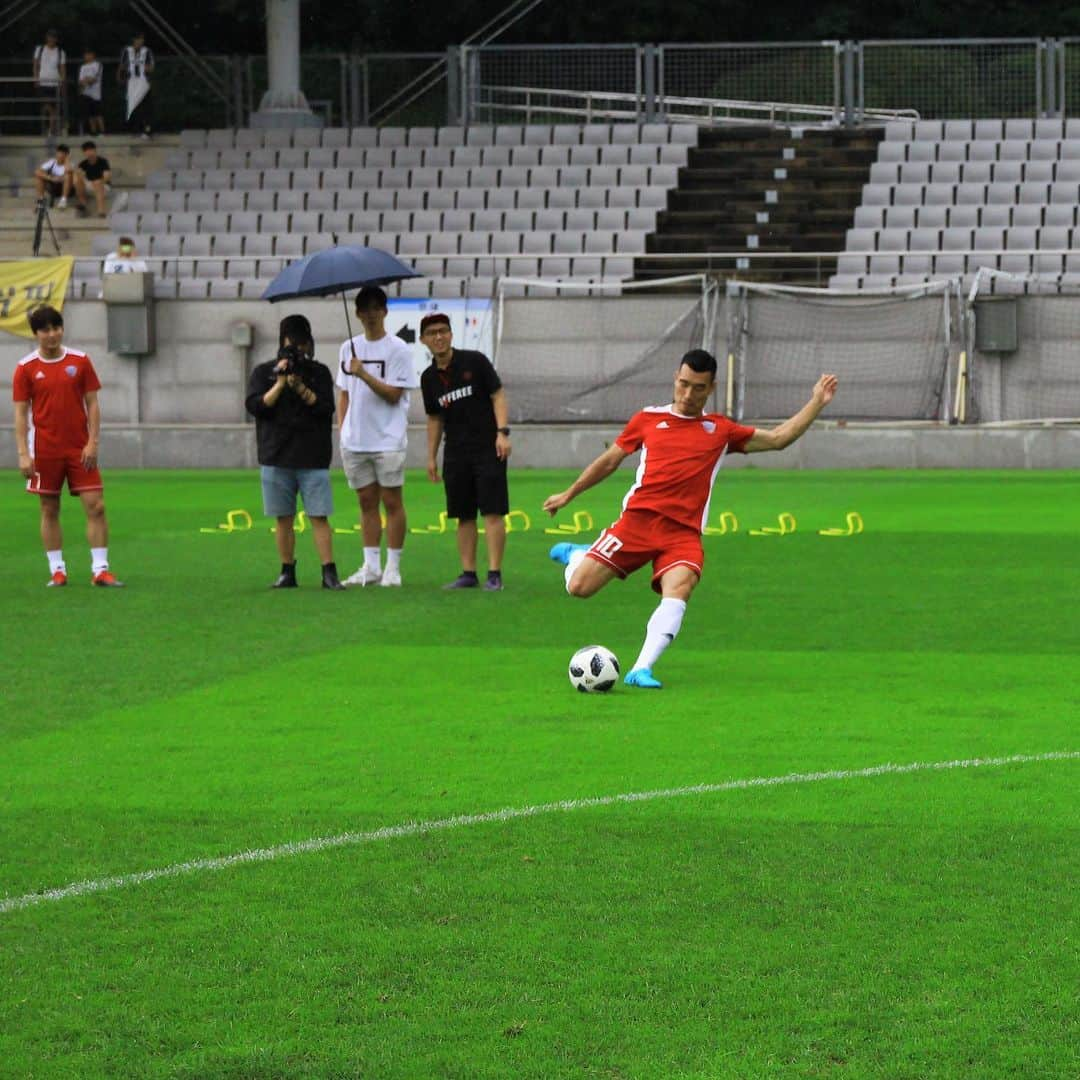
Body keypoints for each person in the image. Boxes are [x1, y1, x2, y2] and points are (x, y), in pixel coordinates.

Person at [543, 351, 838, 688]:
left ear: (710, 388)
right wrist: (570, 493)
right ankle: (578, 555)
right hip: (637, 524)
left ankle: (641, 669)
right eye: (683, 384)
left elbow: (779, 439)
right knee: (579, 588)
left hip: (682, 534)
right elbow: (610, 461)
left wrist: (817, 401)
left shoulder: (720, 430)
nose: (687, 394)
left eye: (697, 388)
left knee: (679, 588)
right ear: (675, 379)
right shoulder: (647, 419)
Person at [12, 305, 124, 587]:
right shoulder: (26, 368)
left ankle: (100, 570)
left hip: (79, 448)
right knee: (49, 509)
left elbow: (93, 403)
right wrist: (24, 454)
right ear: (36, 334)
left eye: (56, 328)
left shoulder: (81, 361)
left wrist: (92, 442)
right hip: (44, 450)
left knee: (96, 505)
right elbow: (20, 413)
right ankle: (57, 570)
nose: (52, 334)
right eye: (46, 330)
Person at [245, 314, 344, 590]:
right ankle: (287, 571)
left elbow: (326, 408)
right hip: (276, 454)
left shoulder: (319, 373)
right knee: (283, 517)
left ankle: (328, 571)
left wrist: (300, 386)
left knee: (319, 515)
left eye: (301, 346)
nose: (297, 353)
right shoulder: (264, 372)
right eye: (291, 346)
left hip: (312, 456)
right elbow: (255, 406)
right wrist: (279, 383)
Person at [420, 313, 512, 591]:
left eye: (443, 331)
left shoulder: (475, 362)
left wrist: (502, 433)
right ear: (424, 340)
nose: (438, 337)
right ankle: (468, 572)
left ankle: (494, 573)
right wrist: (431, 456)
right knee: (463, 514)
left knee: (493, 512)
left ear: (451, 334)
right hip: (455, 452)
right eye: (432, 333)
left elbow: (497, 395)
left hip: (487, 448)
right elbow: (435, 418)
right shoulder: (428, 378)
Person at [335, 286, 418, 588]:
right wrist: (343, 428)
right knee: (366, 502)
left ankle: (393, 567)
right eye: (364, 309)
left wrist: (364, 374)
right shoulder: (348, 348)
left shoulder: (398, 349)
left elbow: (394, 395)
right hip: (355, 440)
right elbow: (343, 393)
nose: (370, 315)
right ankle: (371, 566)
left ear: (385, 311)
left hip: (387, 439)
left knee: (392, 501)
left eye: (375, 308)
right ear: (357, 313)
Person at [118, 31, 154, 138]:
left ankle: (147, 129)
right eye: (138, 39)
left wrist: (148, 69)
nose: (140, 41)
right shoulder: (127, 51)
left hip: (143, 81)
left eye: (142, 39)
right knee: (133, 105)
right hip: (132, 81)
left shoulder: (147, 51)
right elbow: (122, 65)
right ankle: (135, 129)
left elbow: (151, 67)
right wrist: (121, 74)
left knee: (145, 106)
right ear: (134, 40)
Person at [32, 29, 66, 137]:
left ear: (56, 39)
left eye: (54, 37)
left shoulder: (60, 52)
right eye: (50, 37)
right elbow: (35, 65)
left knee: (54, 109)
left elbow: (62, 69)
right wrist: (35, 78)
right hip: (42, 82)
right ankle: (47, 128)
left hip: (55, 83)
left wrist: (62, 82)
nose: (52, 39)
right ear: (47, 38)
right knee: (47, 105)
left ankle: (51, 130)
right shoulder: (40, 49)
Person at [74, 140, 111, 218]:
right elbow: (79, 178)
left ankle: (101, 211)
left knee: (97, 182)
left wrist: (99, 183)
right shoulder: (82, 164)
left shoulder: (103, 162)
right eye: (86, 151)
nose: (89, 153)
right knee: (77, 179)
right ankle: (82, 203)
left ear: (95, 151)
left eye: (91, 150)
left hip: (103, 186)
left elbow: (107, 177)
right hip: (89, 185)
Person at [33, 144, 72, 209]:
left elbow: (68, 171)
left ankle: (63, 200)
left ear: (67, 155)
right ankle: (41, 200)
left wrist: (67, 160)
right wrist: (51, 178)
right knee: (39, 177)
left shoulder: (70, 164)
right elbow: (37, 171)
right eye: (59, 153)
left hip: (66, 188)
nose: (61, 155)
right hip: (53, 186)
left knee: (68, 175)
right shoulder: (52, 162)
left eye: (63, 153)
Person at [76, 48, 105, 136]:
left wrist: (86, 80)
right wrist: (85, 81)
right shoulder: (83, 67)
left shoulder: (98, 65)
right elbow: (80, 81)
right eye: (86, 54)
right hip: (86, 93)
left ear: (93, 55)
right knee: (90, 115)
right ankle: (93, 132)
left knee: (98, 114)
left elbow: (94, 79)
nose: (87, 56)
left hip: (96, 94)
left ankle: (102, 132)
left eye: (89, 54)